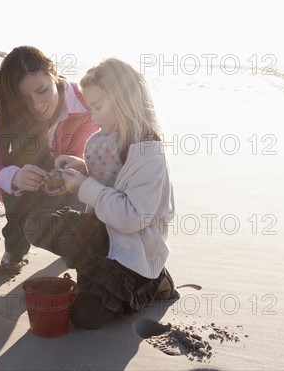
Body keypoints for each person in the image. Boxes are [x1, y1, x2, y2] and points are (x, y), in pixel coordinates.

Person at [24, 58, 178, 329]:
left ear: (123, 101)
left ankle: (154, 283)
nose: (93, 117)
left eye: (97, 107)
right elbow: (109, 183)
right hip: (104, 235)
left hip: (135, 251)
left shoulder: (148, 152)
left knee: (85, 317)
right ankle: (96, 278)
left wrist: (84, 186)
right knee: (37, 225)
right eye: (89, 107)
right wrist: (81, 170)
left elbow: (133, 216)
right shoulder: (102, 142)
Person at [0, 46, 99, 273]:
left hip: (76, 191)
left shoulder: (88, 104)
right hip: (24, 196)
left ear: (54, 74)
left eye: (42, 90)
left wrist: (77, 168)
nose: (36, 105)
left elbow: (103, 161)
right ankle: (15, 246)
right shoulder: (7, 113)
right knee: (16, 164)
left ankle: (79, 240)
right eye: (25, 99)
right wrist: (14, 177)